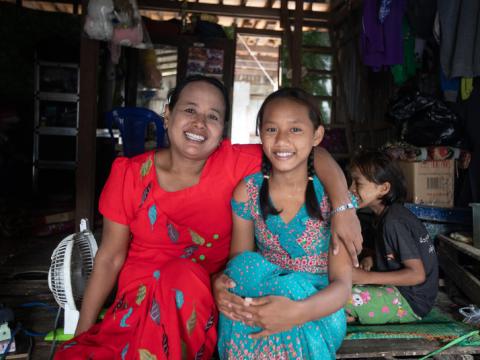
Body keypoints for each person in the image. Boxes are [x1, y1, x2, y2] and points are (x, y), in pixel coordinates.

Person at [55, 75, 361, 360]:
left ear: (222, 130)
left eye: (212, 116)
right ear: (167, 114)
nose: (199, 123)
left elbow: (305, 152)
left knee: (190, 279)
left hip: (200, 300)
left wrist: (343, 205)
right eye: (190, 110)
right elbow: (109, 258)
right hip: (140, 299)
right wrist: (81, 333)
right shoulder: (129, 174)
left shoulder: (235, 162)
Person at [217, 88, 353, 359]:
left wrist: (297, 311)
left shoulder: (331, 198)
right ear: (260, 133)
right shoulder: (248, 191)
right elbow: (241, 265)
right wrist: (221, 284)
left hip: (316, 310)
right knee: (246, 267)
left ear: (317, 136)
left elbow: (342, 287)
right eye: (271, 130)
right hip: (264, 302)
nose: (281, 140)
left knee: (287, 288)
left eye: (295, 130)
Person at [345, 150, 438, 325]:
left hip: (410, 301)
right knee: (338, 291)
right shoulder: (386, 216)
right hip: (403, 292)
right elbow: (396, 252)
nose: (350, 189)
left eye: (357, 183)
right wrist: (372, 257)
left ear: (384, 188)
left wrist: (364, 278)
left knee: (338, 299)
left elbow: (417, 275)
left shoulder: (393, 222)